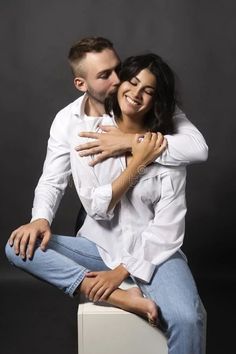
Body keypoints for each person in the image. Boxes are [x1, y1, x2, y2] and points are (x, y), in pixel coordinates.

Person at [5, 38, 207, 354]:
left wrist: (133, 145)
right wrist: (39, 219)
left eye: (119, 70)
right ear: (81, 83)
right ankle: (114, 296)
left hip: (153, 247)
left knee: (186, 318)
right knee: (19, 247)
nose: (118, 82)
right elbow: (59, 184)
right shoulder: (85, 133)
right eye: (106, 76)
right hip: (100, 240)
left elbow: (197, 152)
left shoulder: (165, 138)